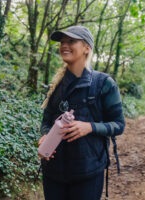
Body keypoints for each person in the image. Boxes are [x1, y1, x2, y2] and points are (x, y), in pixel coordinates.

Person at [38, 25, 125, 200]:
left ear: (87, 48)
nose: (64, 45)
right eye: (62, 42)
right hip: (53, 173)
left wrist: (90, 127)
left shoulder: (103, 83)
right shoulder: (56, 86)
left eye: (71, 41)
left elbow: (119, 125)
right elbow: (46, 121)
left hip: (88, 173)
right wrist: (45, 137)